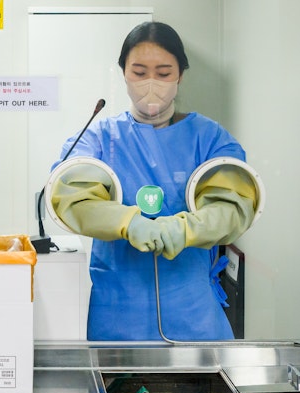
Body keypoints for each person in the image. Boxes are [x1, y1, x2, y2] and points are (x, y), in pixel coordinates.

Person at [49, 21, 258, 341]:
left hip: (192, 316)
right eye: (139, 72)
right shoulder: (100, 138)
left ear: (180, 76)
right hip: (118, 318)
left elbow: (233, 207)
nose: (151, 83)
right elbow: (70, 196)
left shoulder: (209, 138)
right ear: (123, 74)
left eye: (163, 73)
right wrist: (128, 222)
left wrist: (185, 229)